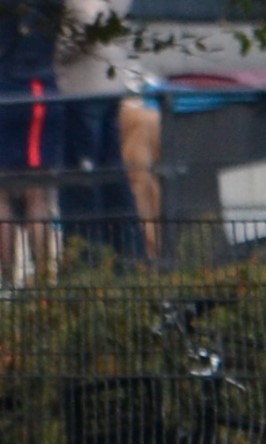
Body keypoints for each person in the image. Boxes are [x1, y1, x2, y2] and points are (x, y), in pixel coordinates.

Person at [55, 0, 161, 260]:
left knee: (81, 179)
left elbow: (85, 20)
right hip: (109, 83)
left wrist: (55, 55)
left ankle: (88, 258)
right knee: (112, 174)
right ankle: (128, 254)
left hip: (80, 87)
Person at [0, 0, 62, 285]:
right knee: (37, 193)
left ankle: (8, 282)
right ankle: (43, 280)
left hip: (12, 85)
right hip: (32, 85)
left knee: (3, 194)